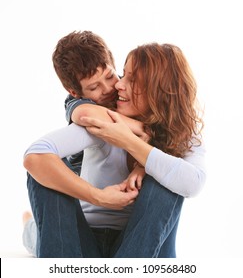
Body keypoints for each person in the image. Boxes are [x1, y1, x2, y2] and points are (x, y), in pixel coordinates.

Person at [23, 37, 205, 258]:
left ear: (158, 90)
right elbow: (36, 156)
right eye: (123, 74)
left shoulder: (182, 132)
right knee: (46, 171)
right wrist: (98, 196)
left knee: (168, 175)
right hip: (86, 242)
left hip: (142, 250)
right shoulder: (103, 119)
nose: (118, 85)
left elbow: (192, 183)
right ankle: (31, 230)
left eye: (129, 78)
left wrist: (131, 143)